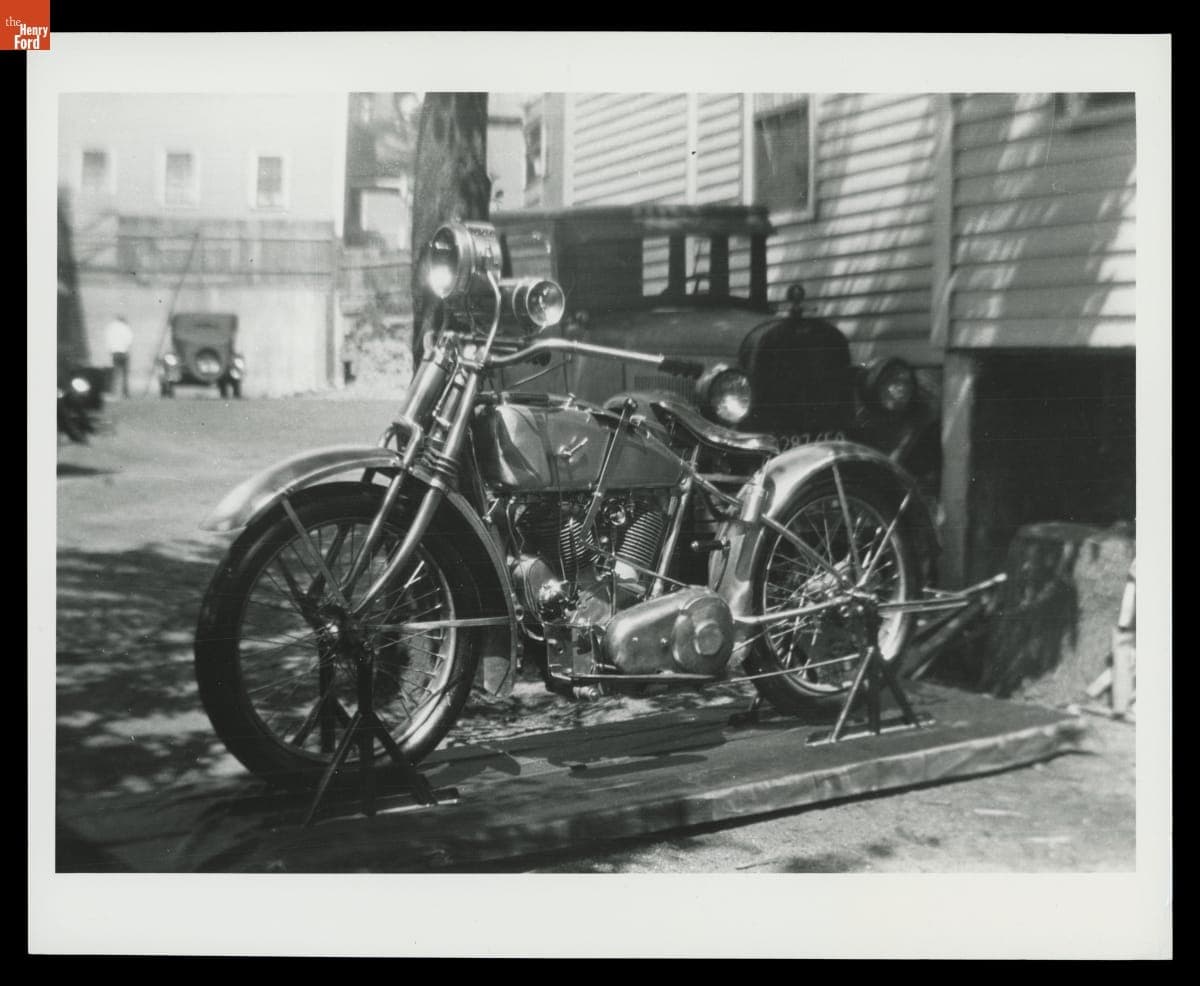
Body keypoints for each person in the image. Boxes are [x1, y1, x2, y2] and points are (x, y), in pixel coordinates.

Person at [104, 313, 133, 398]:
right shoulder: (125, 327)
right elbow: (130, 339)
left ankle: (114, 391)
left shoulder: (110, 327)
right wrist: (127, 347)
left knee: (115, 373)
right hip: (124, 352)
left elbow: (108, 340)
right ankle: (125, 393)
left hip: (114, 352)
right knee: (125, 374)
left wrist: (110, 349)